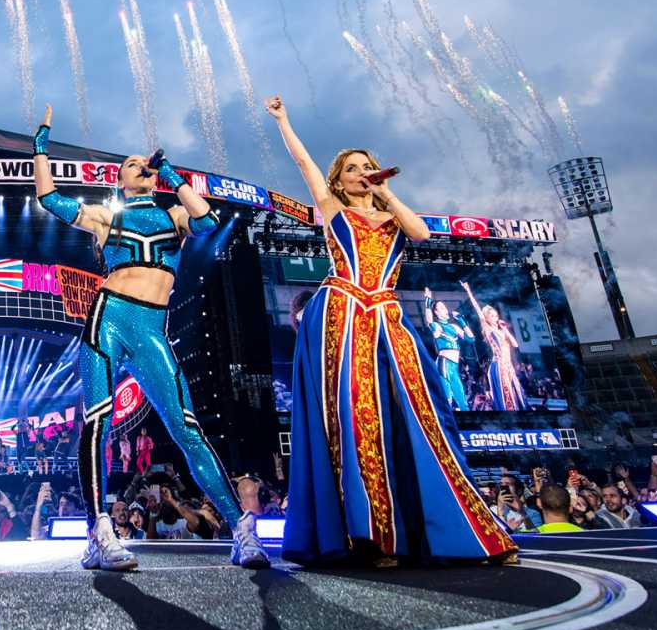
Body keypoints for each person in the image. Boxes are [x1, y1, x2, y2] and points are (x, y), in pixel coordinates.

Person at [264, 95, 516, 567]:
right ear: (339, 179)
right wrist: (284, 121)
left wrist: (388, 194)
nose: (360, 172)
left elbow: (420, 233)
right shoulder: (332, 210)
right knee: (356, 420)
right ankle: (372, 536)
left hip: (386, 314)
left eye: (367, 166)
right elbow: (303, 163)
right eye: (352, 168)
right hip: (342, 313)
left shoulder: (394, 217)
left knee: (422, 418)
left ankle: (457, 532)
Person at [34, 103, 247, 572]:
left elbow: (209, 223)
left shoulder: (173, 214)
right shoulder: (106, 216)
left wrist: (173, 172)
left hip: (152, 328)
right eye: (133, 165)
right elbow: (49, 199)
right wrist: (42, 145)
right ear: (122, 180)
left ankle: (240, 527)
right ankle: (100, 532)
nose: (141, 167)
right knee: (99, 422)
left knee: (186, 428)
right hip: (108, 318)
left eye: (144, 164)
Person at [460, 281, 527, 411]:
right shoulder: (489, 329)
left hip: (508, 367)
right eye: (491, 315)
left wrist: (505, 329)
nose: (494, 317)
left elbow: (515, 344)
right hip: (499, 366)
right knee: (506, 398)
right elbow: (478, 310)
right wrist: (468, 291)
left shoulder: (501, 330)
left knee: (516, 395)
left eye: (495, 315)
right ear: (487, 318)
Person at [422, 287, 476, 413]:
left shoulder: (453, 326)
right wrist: (428, 301)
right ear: (436, 312)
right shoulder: (437, 325)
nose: (444, 309)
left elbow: (471, 338)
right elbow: (429, 321)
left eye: (444, 307)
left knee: (462, 401)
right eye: (440, 308)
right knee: (447, 398)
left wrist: (462, 321)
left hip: (454, 367)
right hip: (444, 363)